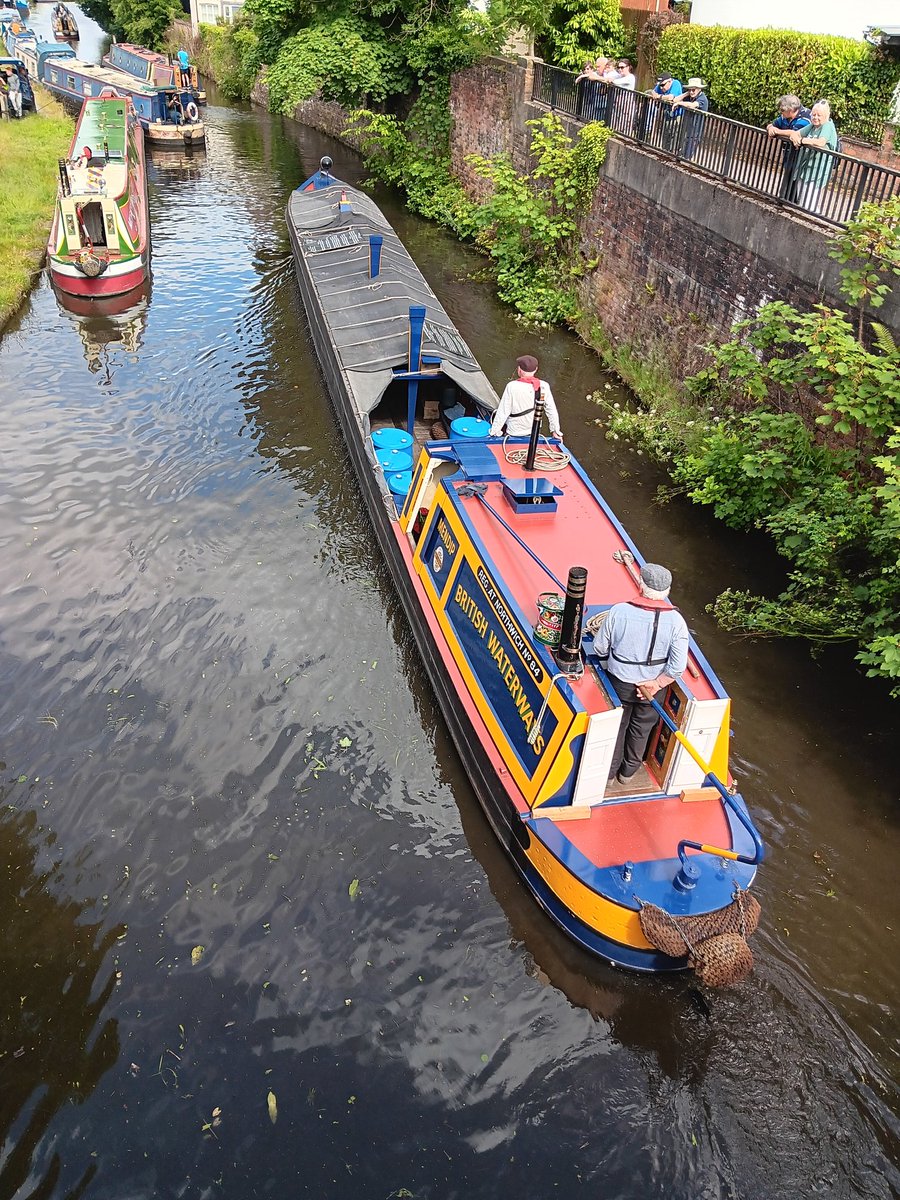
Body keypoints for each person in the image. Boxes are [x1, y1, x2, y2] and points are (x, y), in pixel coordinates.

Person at [593, 563, 689, 784]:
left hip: (620, 682)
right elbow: (677, 667)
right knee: (642, 728)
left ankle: (608, 774)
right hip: (653, 690)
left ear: (641, 586)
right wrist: (656, 683)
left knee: (618, 726)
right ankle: (627, 773)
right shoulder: (677, 622)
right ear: (667, 591)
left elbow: (599, 648)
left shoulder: (619, 612)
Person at [489, 354, 563, 442]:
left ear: (519, 370)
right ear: (536, 369)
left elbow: (503, 411)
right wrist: (555, 431)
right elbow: (551, 410)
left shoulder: (512, 386)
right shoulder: (544, 386)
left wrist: (494, 432)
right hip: (534, 432)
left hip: (514, 432)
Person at [790, 99, 839, 214]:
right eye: (814, 114)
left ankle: (812, 219)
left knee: (809, 202)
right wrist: (795, 138)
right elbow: (796, 133)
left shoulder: (827, 126)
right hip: (805, 167)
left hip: (817, 170)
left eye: (819, 115)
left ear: (826, 116)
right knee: (801, 199)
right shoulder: (812, 125)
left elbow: (821, 142)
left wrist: (802, 140)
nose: (815, 117)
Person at [766, 94, 811, 203]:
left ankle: (793, 202)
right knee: (789, 175)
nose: (781, 112)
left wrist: (777, 131)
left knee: (796, 178)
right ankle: (786, 200)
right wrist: (771, 127)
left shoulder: (805, 116)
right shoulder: (785, 117)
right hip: (788, 153)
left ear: (790, 110)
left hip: (801, 156)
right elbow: (772, 124)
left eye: (783, 110)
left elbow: (795, 133)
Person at [670, 77, 708, 160]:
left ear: (699, 89)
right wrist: (686, 93)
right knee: (680, 153)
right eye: (689, 90)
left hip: (695, 133)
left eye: (693, 90)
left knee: (687, 156)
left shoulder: (702, 98)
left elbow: (693, 105)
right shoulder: (689, 96)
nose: (691, 92)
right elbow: (675, 100)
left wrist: (680, 103)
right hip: (686, 130)